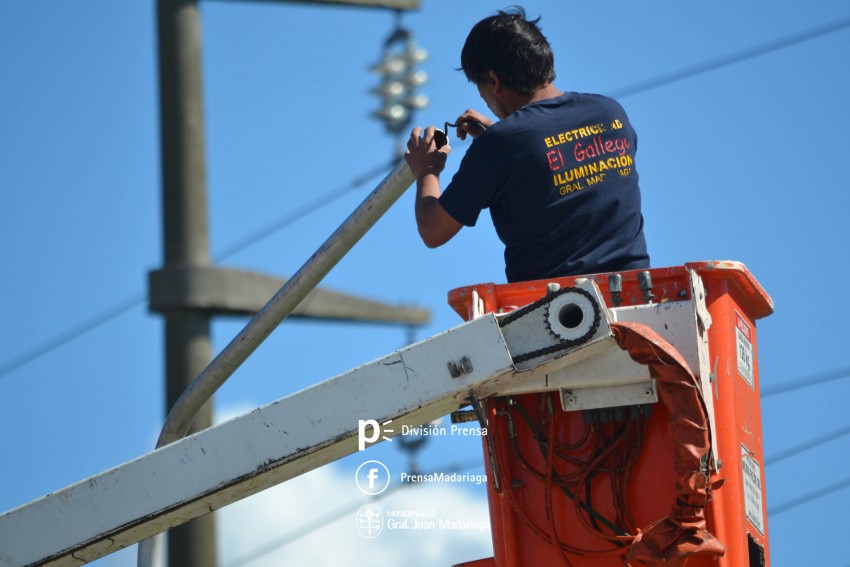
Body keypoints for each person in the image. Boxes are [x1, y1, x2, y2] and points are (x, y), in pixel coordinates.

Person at [404, 7, 650, 283]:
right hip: (635, 290)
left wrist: (427, 169)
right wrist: (505, 136)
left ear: (494, 81)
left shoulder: (500, 145)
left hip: (554, 310)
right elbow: (560, 159)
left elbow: (433, 230)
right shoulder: (609, 113)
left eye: (480, 86)